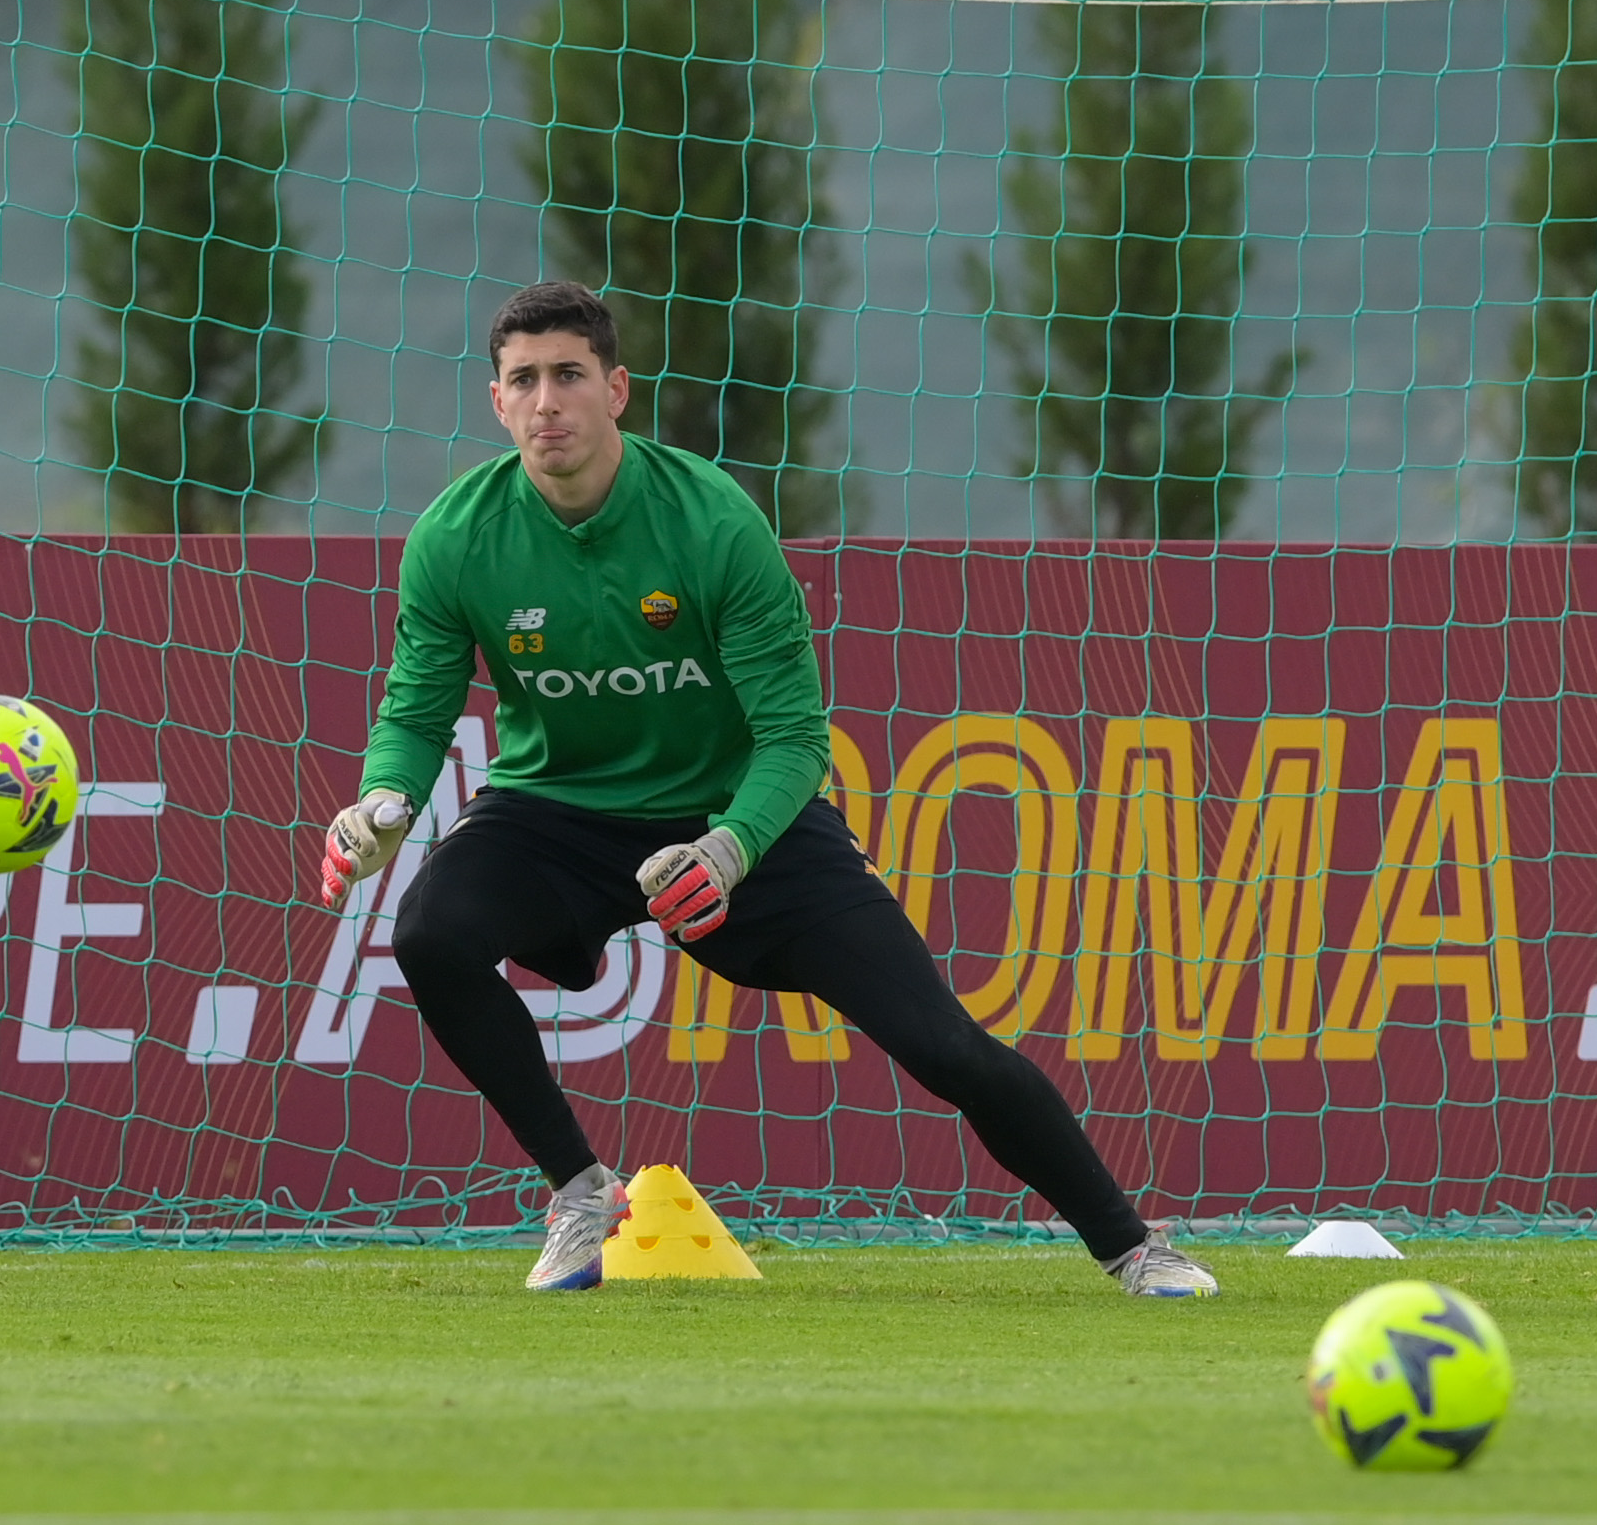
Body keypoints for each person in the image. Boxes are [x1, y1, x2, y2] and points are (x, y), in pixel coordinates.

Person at [318, 280, 1217, 1298]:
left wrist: (728, 847)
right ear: (495, 400)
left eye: (568, 374)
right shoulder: (454, 536)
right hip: (553, 815)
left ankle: (1132, 1246)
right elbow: (415, 710)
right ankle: (580, 1192)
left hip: (734, 815)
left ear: (616, 390)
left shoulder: (710, 523)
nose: (546, 402)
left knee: (942, 1045)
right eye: (522, 380)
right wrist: (383, 801)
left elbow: (793, 738)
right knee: (430, 929)